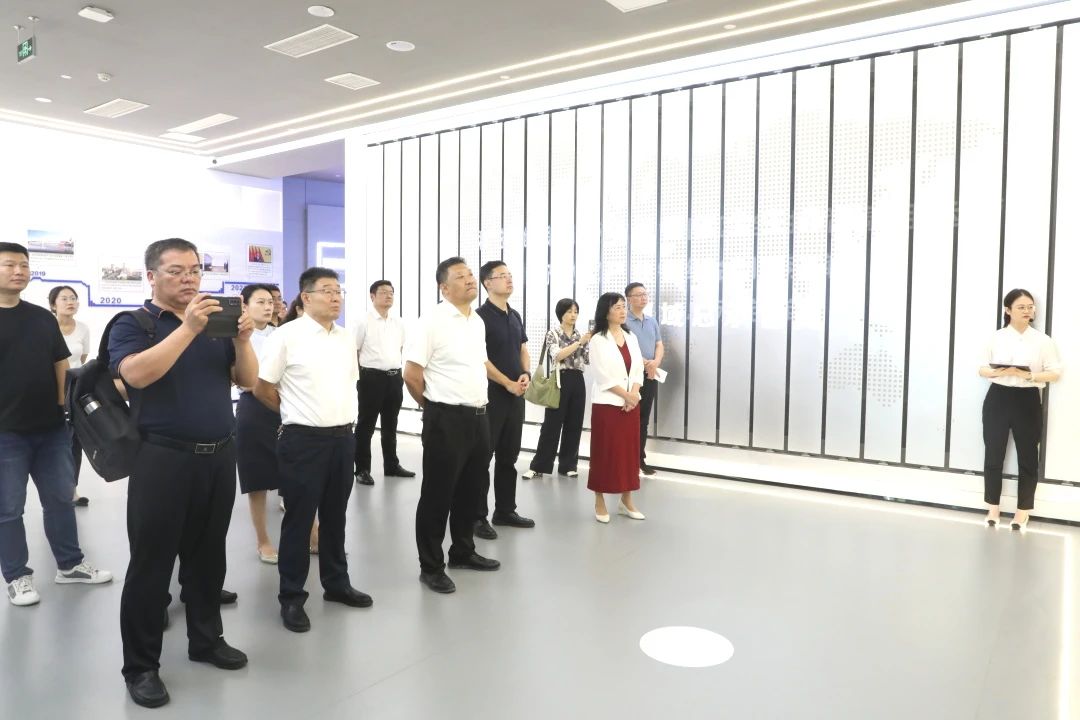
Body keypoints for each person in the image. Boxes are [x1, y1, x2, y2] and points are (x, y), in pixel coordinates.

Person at [109, 238, 257, 708]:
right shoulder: (134, 323)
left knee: (209, 558)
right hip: (162, 459)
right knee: (151, 566)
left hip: (219, 456)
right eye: (176, 271)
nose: (189, 278)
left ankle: (206, 640)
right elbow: (135, 375)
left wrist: (242, 340)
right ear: (151, 276)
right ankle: (141, 667)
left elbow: (248, 381)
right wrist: (188, 329)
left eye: (194, 269)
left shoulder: (215, 323)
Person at [255, 267, 371, 634]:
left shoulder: (345, 337)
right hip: (303, 440)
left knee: (336, 516)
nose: (336, 297)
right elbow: (263, 387)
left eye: (339, 291)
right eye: (327, 291)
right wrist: (295, 413)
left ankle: (337, 583)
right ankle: (291, 597)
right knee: (299, 520)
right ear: (306, 297)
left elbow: (348, 385)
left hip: (343, 439)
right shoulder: (286, 336)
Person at [0, 242, 112, 608]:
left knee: (61, 499)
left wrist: (64, 408)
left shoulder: (40, 317)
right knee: (8, 509)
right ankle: (17, 577)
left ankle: (70, 565)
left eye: (23, 264)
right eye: (9, 265)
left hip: (50, 429)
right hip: (5, 434)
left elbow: (60, 363)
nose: (19, 271)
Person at [404, 257, 501, 594]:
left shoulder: (476, 320)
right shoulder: (431, 321)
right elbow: (411, 374)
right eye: (461, 276)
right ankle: (431, 566)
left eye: (471, 274)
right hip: (445, 418)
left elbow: (479, 363)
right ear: (444, 288)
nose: (470, 279)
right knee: (438, 494)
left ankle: (462, 551)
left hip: (479, 416)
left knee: (471, 490)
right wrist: (434, 408)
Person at [978, 288, 1062, 531]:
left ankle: (1022, 511)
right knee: (993, 454)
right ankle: (993, 507)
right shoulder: (996, 337)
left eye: (1030, 307)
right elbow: (982, 369)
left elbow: (1055, 373)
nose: (1028, 311)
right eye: (1021, 307)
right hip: (998, 398)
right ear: (1008, 310)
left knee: (1028, 456)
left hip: (1027, 399)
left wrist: (1029, 375)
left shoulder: (1043, 341)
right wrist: (999, 372)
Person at [474, 260, 535, 539]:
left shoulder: (514, 314)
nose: (509, 279)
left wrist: (525, 374)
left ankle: (505, 510)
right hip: (490, 396)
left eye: (510, 275)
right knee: (482, 458)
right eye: (502, 276)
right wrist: (507, 383)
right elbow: (480, 359)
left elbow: (523, 348)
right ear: (487, 283)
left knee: (509, 457)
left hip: (515, 395)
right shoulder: (479, 318)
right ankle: (477, 517)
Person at [588, 292, 646, 523]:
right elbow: (602, 375)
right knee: (605, 452)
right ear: (606, 312)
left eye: (624, 306)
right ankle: (599, 500)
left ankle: (626, 500)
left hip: (631, 405)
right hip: (608, 405)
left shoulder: (630, 336)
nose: (623, 311)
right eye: (617, 307)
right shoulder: (597, 339)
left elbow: (638, 368)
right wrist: (626, 396)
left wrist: (633, 395)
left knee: (628, 454)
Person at [235, 284, 282, 563]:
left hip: (286, 407)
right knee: (257, 478)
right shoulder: (238, 337)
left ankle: (312, 532)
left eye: (271, 302)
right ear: (245, 306)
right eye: (261, 302)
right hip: (253, 408)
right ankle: (263, 540)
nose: (268, 307)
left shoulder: (282, 334)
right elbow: (244, 380)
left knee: (297, 474)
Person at [353, 280, 415, 486]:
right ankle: (362, 469)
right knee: (366, 425)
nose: (389, 296)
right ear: (372, 296)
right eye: (383, 292)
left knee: (391, 424)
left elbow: (400, 348)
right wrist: (359, 377)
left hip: (394, 378)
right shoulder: (363, 321)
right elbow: (354, 351)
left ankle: (391, 465)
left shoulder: (398, 322)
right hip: (371, 378)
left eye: (391, 292)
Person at [523, 298, 591, 479]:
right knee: (551, 426)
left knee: (574, 424)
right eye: (569, 311)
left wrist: (589, 342)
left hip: (578, 379)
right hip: (560, 380)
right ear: (561, 314)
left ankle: (568, 465)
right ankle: (538, 466)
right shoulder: (553, 333)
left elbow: (586, 360)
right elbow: (558, 355)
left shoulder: (580, 334)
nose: (573, 315)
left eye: (576, 311)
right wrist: (579, 343)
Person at [48, 285, 92, 506]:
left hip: (74, 392)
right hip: (48, 391)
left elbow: (81, 359)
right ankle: (55, 489)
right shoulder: (46, 327)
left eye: (73, 298)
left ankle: (72, 490)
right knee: (54, 442)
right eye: (64, 298)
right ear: (53, 304)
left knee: (75, 443)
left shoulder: (83, 329)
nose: (70, 302)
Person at [625, 282, 664, 476]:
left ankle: (639, 459)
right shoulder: (623, 321)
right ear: (629, 299)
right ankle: (626, 459)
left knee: (644, 418)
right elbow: (624, 348)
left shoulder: (651, 321)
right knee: (628, 418)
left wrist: (655, 362)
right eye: (639, 294)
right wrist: (644, 362)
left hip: (650, 374)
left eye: (645, 294)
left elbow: (659, 344)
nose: (643, 297)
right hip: (631, 376)